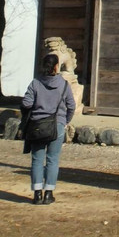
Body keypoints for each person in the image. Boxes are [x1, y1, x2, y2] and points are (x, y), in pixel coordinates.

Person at [21, 53, 76, 205]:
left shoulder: (35, 83)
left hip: (37, 126)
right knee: (53, 160)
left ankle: (37, 194)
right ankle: (48, 194)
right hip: (57, 125)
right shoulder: (64, 84)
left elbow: (26, 103)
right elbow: (71, 105)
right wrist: (65, 120)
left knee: (37, 160)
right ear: (56, 66)